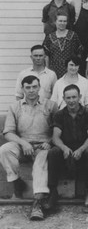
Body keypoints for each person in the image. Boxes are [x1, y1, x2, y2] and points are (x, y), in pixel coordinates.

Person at [0, 75, 58, 220]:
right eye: (28, 87)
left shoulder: (51, 105)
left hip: (42, 146)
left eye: (34, 87)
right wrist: (23, 143)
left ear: (39, 87)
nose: (31, 90)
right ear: (23, 89)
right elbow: (8, 132)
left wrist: (50, 142)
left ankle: (37, 202)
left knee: (41, 161)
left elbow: (58, 130)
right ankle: (16, 182)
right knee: (5, 150)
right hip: (23, 145)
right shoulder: (15, 107)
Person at [47, 84, 88, 208]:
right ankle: (52, 192)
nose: (71, 101)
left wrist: (81, 149)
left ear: (80, 97)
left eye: (74, 97)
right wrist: (64, 147)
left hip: (83, 147)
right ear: (64, 99)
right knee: (53, 152)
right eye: (68, 98)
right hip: (66, 148)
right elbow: (55, 137)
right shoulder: (59, 114)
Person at [43, 13, 83, 79]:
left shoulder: (73, 35)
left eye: (64, 21)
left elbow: (79, 52)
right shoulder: (50, 37)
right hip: (54, 69)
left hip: (70, 69)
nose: (62, 23)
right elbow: (46, 55)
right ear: (55, 22)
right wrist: (47, 70)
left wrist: (76, 67)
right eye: (60, 21)